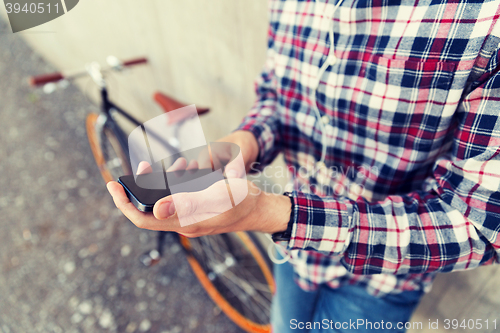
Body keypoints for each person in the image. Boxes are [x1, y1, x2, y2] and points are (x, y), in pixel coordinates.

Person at [107, 0, 500, 331]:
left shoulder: (486, 19)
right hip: (293, 256)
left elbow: (480, 226)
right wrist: (243, 143)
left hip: (383, 281)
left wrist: (272, 213)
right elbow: (279, 98)